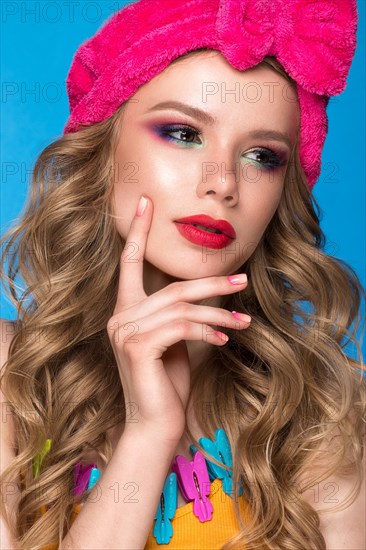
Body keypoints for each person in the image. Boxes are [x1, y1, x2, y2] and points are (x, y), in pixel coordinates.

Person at [1, 0, 365, 549]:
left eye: (263, 156)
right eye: (183, 133)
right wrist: (150, 433)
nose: (223, 183)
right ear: (102, 150)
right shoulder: (12, 380)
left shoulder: (324, 414)